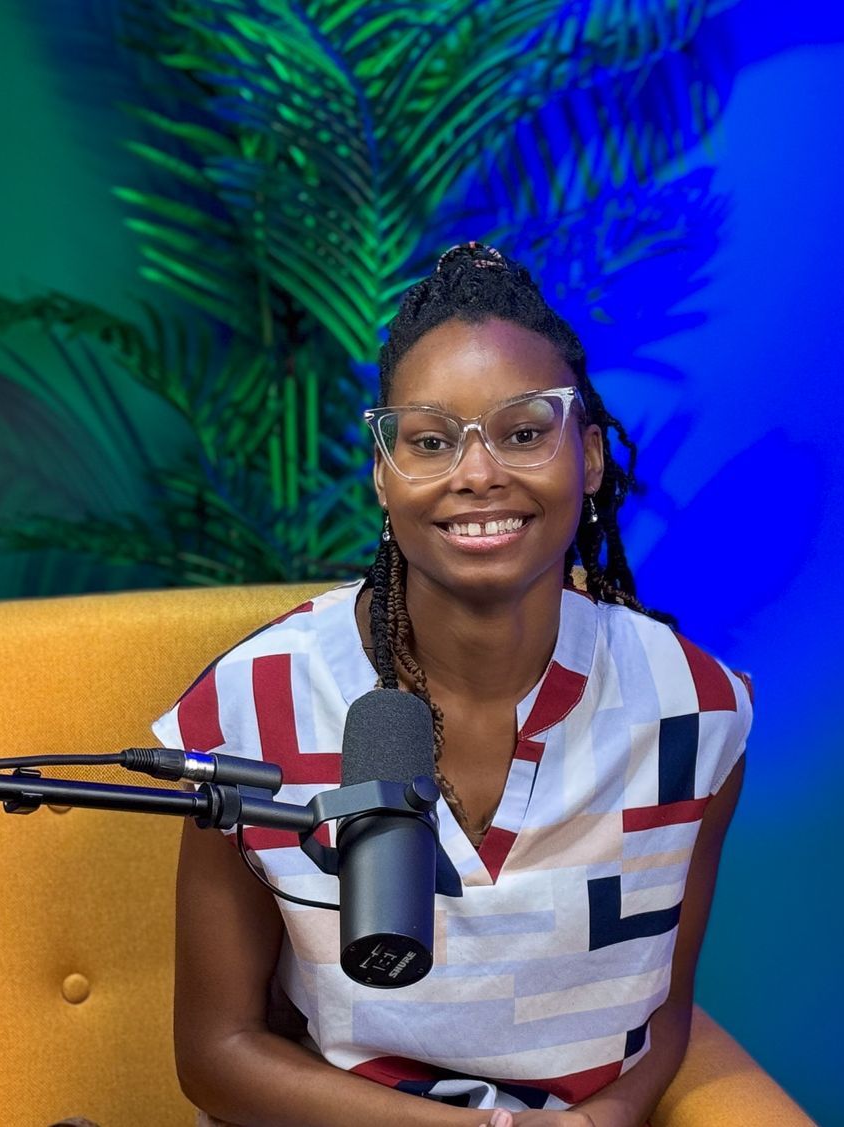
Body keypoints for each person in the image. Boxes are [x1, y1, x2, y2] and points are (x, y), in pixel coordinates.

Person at [155, 243, 752, 1127]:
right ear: (384, 475)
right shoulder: (251, 706)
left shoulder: (695, 713)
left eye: (522, 432)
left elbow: (661, 1014)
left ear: (588, 457)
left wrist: (601, 1119)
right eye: (431, 441)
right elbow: (217, 1052)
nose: (477, 474)